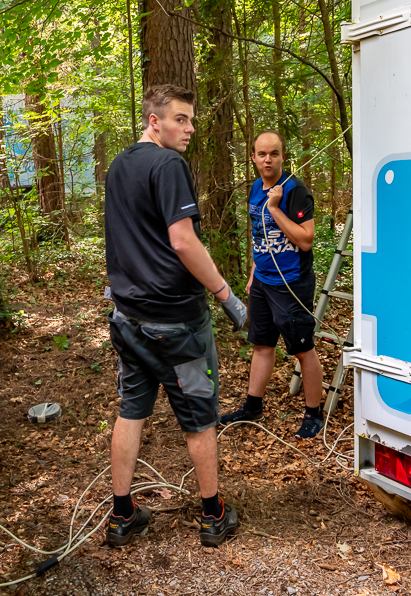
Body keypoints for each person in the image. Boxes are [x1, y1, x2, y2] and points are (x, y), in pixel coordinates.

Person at [103, 84, 247, 548]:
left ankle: (121, 515)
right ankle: (213, 515)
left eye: (190, 120)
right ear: (154, 121)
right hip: (179, 329)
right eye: (179, 119)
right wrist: (226, 295)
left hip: (129, 321)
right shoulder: (168, 165)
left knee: (131, 411)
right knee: (200, 416)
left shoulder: (119, 165)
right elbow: (183, 241)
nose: (189, 129)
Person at [220, 130, 325, 438]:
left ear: (283, 156)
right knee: (262, 345)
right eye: (262, 154)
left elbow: (306, 240)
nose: (268, 160)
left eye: (274, 154)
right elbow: (259, 232)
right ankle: (252, 406)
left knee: (303, 349)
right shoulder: (256, 187)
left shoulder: (295, 190)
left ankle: (314, 413)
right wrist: (255, 269)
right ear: (253, 157)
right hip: (263, 282)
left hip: (291, 283)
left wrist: (276, 208)